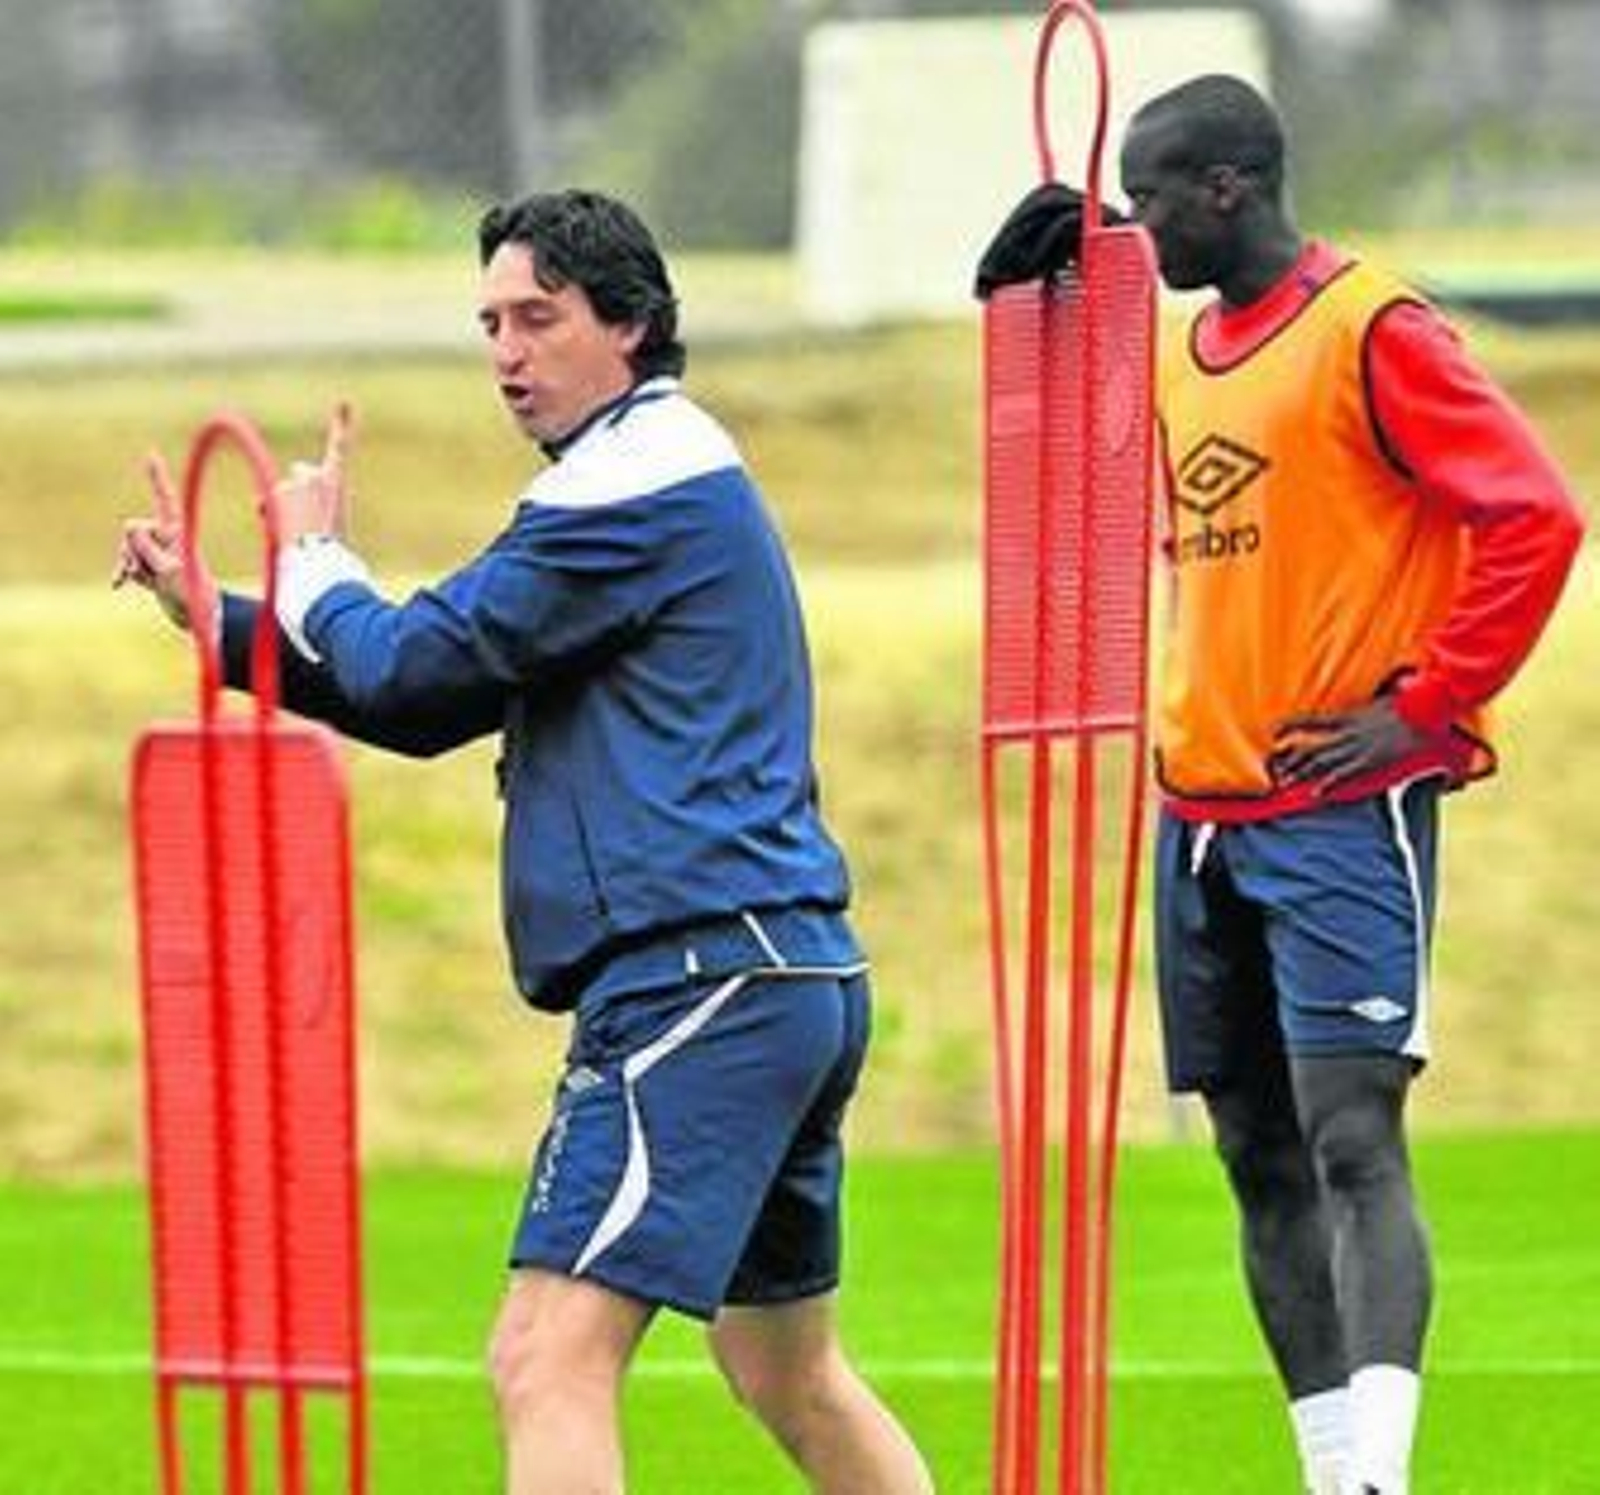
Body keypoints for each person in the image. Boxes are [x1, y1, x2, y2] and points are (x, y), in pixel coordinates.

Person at [114, 189, 933, 1495]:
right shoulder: (656, 476)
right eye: (489, 321)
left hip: (697, 982)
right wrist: (220, 618)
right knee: (787, 1373)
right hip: (779, 971)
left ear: (633, 325)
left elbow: (417, 663)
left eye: (537, 318)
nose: (505, 351)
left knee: (545, 1358)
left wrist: (317, 556)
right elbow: (426, 700)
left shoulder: (633, 478)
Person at [977, 76, 1585, 1495]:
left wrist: (1430, 706)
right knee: (1256, 1154)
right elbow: (1068, 463)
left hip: (1335, 807)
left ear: (1229, 189)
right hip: (1199, 811)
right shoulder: (1182, 346)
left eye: (1151, 196)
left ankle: (1381, 1473)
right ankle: (1331, 1477)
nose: (1135, 222)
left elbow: (1536, 517)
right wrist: (1024, 303)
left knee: (1352, 1136)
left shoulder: (1376, 328)